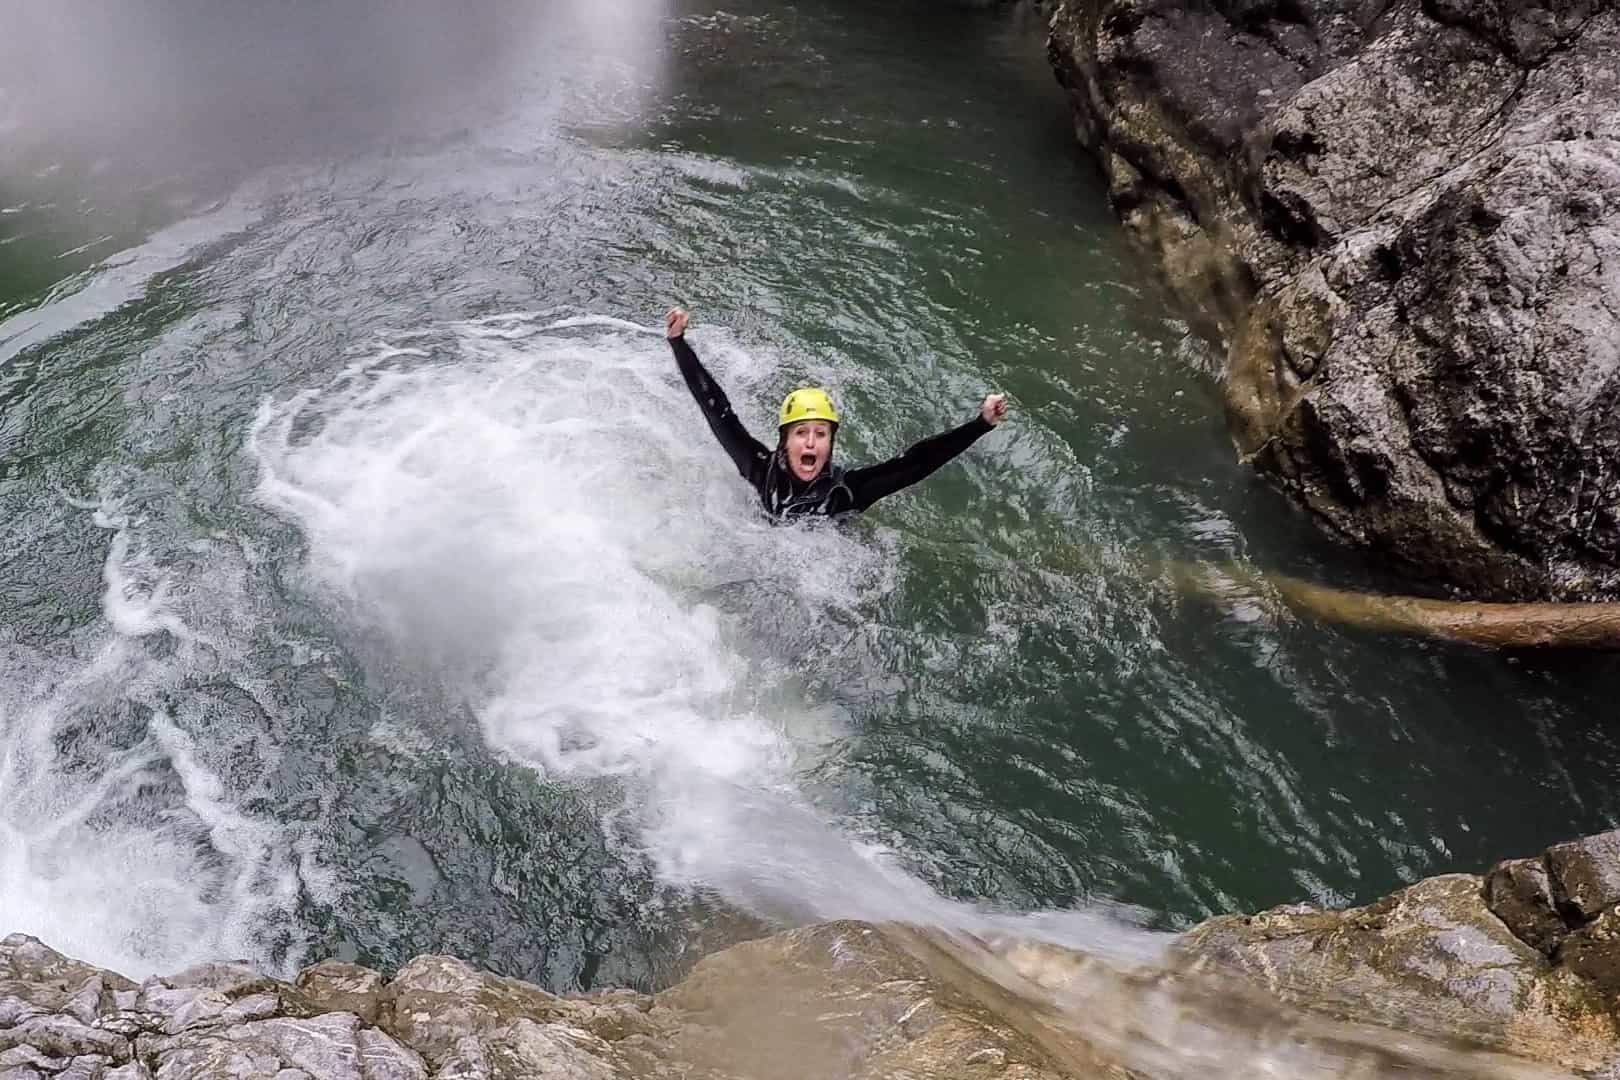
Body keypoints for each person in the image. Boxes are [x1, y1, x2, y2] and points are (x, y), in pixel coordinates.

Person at [664, 307, 1008, 520]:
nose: (811, 442)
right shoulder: (758, 467)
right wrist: (679, 343)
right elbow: (716, 411)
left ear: (830, 442)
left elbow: (916, 463)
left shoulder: (848, 492)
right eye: (801, 433)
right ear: (784, 441)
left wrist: (981, 424)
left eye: (820, 433)